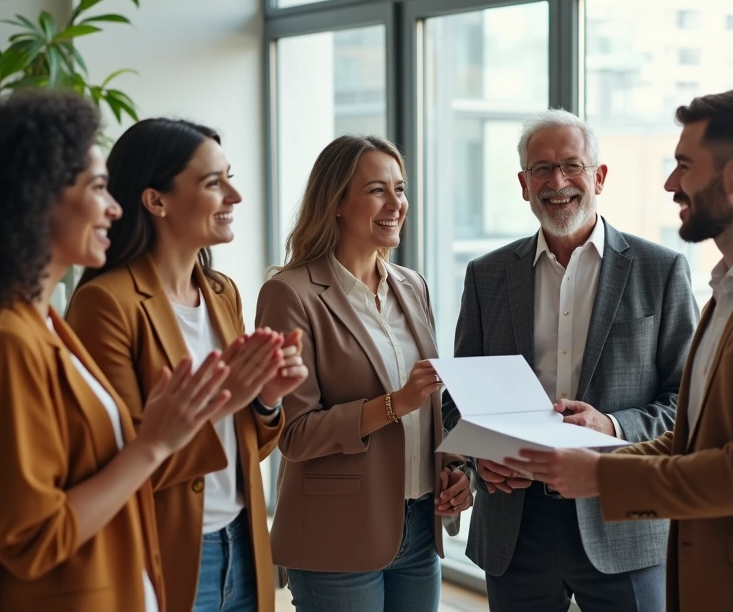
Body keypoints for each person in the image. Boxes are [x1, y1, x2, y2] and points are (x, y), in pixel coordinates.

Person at [507, 88, 733, 612]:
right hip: (710, 577)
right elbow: (693, 440)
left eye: (684, 166)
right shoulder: (731, 292)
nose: (671, 183)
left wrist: (601, 470)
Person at [0, 90, 236, 611]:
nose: (115, 207)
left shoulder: (44, 324)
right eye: (98, 188)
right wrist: (152, 445)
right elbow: (33, 538)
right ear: (35, 198)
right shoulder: (4, 341)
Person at [445, 109, 698, 611]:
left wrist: (612, 426)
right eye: (541, 169)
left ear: (599, 176)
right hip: (516, 524)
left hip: (623, 519)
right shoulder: (486, 276)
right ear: (523, 184)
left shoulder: (661, 270)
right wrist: (481, 459)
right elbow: (457, 397)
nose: (557, 182)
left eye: (572, 165)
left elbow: (689, 402)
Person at [66, 118, 306, 612]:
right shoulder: (105, 304)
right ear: (156, 201)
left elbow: (245, 448)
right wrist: (226, 399)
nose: (235, 196)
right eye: (214, 182)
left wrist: (266, 399)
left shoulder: (222, 294)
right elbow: (118, 462)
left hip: (242, 541)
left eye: (230, 176)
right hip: (166, 549)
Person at [256, 134, 473, 612]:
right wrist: (394, 404)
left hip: (418, 528)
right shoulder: (290, 294)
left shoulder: (412, 286)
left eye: (400, 189)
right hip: (336, 536)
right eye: (377, 190)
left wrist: (456, 470)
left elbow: (429, 411)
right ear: (335, 203)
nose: (395, 203)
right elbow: (293, 434)